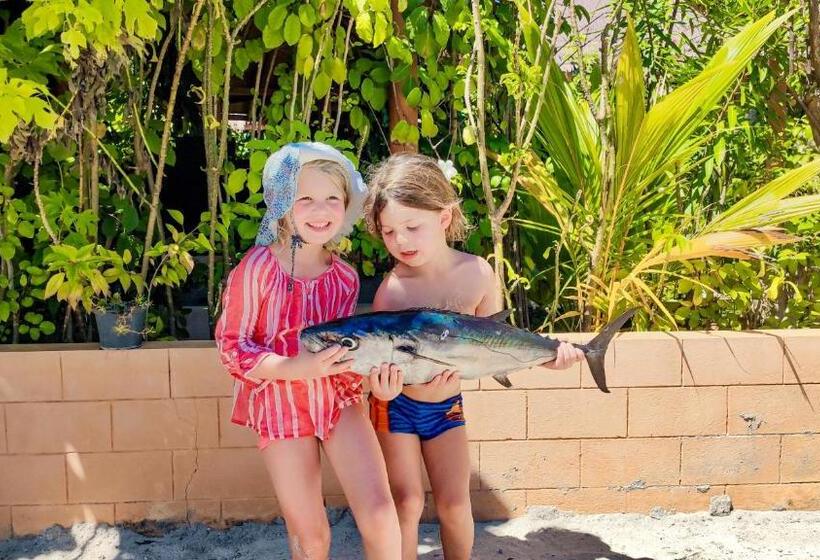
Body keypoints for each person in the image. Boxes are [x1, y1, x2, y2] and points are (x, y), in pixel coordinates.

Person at [364, 153, 584, 560]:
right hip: (395, 409)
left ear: (444, 218)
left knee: (454, 502)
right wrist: (382, 388)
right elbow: (381, 362)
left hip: (447, 407)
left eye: (413, 227)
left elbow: (497, 342)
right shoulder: (392, 292)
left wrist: (549, 358)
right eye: (389, 231)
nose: (401, 241)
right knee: (407, 502)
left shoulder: (479, 274)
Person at [216, 142, 402, 560]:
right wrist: (296, 368)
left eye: (332, 199)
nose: (321, 211)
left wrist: (377, 385)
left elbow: (348, 355)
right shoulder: (257, 269)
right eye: (306, 199)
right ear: (283, 203)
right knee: (312, 538)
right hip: (281, 406)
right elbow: (232, 348)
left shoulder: (346, 279)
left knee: (380, 514)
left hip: (338, 401)